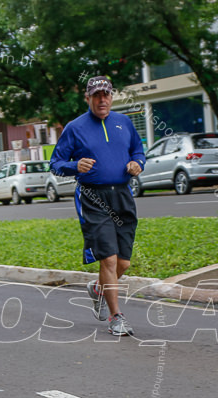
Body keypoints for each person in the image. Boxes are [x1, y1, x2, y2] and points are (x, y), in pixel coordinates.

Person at [50, 75, 145, 337]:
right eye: (96, 95)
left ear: (111, 96)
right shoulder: (75, 127)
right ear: (88, 98)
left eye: (106, 94)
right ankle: (116, 317)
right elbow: (55, 163)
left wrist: (138, 163)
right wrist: (74, 165)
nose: (102, 99)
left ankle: (97, 288)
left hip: (122, 195)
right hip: (93, 197)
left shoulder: (124, 123)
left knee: (123, 263)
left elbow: (138, 150)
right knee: (109, 259)